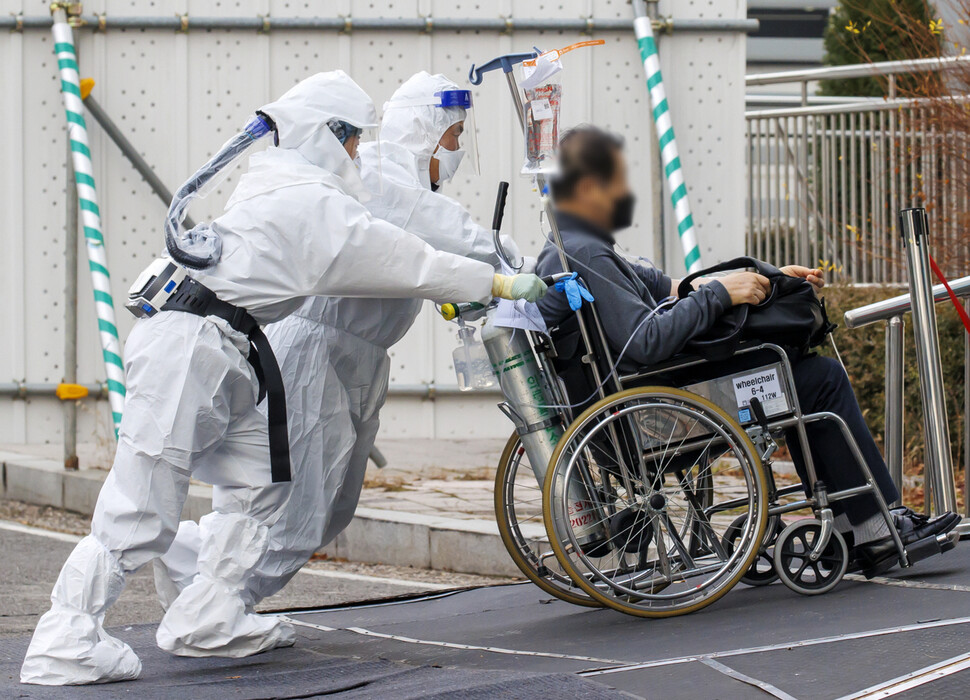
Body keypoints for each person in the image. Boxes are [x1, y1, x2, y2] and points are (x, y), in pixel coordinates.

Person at [21, 70, 546, 687]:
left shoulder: (289, 183)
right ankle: (67, 635)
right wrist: (498, 281)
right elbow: (409, 260)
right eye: (350, 139)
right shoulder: (311, 203)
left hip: (229, 348)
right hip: (190, 347)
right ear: (324, 134)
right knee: (140, 506)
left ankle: (210, 616)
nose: (358, 152)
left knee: (264, 487)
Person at [152, 70, 529, 626]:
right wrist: (511, 268)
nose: (456, 150)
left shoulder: (391, 180)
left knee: (323, 502)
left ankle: (196, 571)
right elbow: (449, 238)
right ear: (426, 130)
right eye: (453, 136)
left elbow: (405, 258)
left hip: (348, 357)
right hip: (314, 354)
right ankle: (214, 612)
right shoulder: (379, 172)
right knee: (296, 503)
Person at [535, 124, 959, 576]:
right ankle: (875, 529)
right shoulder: (584, 254)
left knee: (794, 375)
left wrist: (768, 278)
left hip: (647, 406)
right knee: (815, 380)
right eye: (615, 180)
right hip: (653, 418)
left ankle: (854, 526)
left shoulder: (580, 247)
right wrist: (720, 294)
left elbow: (676, 288)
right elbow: (646, 340)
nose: (625, 192)